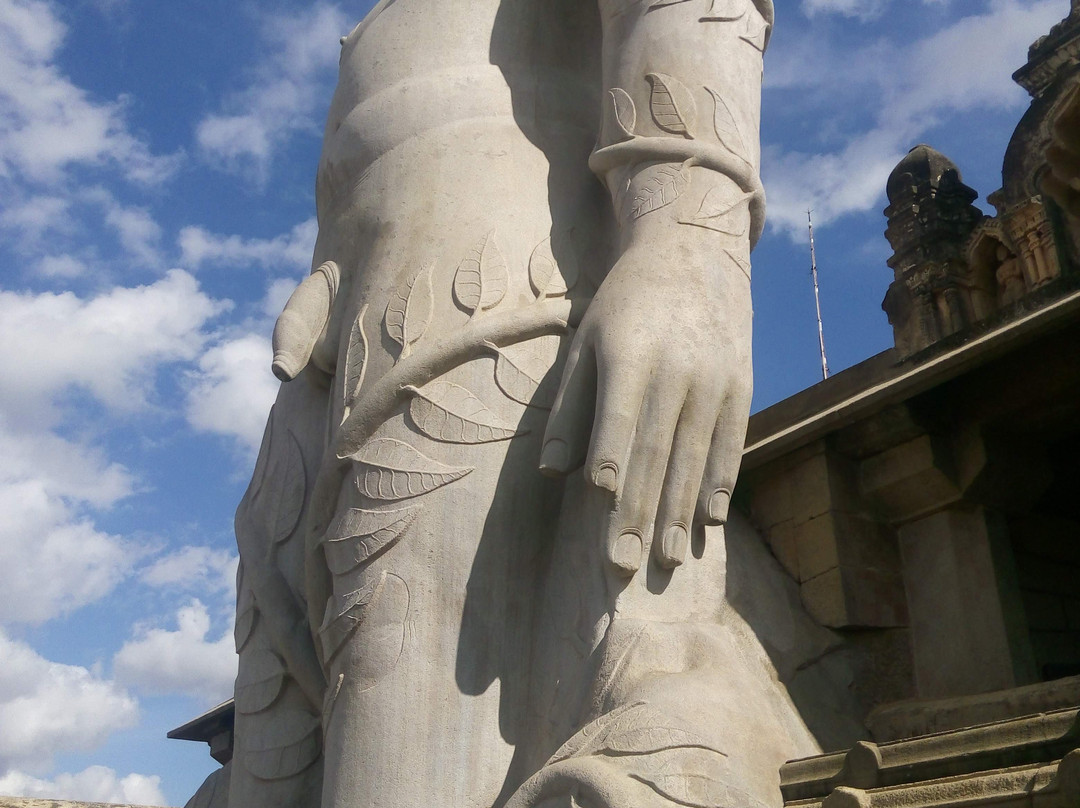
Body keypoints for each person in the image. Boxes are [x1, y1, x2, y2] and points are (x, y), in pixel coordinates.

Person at [224, 1, 823, 806]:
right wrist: (336, 260)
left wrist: (689, 236)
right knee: (280, 747)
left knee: (406, 727)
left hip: (486, 297)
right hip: (347, 345)